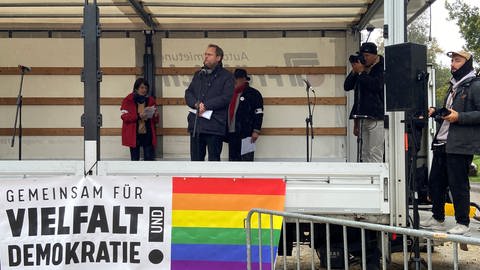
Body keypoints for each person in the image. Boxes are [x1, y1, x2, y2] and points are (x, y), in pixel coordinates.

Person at [420, 50, 480, 235]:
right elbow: (449, 115)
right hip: (442, 142)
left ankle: (463, 222)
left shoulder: (475, 85)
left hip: (460, 144)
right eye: (452, 61)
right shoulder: (454, 85)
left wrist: (460, 117)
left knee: (458, 183)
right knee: (435, 182)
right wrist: (437, 112)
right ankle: (437, 218)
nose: (452, 64)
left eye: (457, 60)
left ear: (468, 63)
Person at [184, 44, 234, 161]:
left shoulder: (227, 76)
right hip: (196, 125)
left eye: (209, 54)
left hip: (214, 125)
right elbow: (188, 93)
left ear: (218, 57)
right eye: (205, 54)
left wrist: (206, 106)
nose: (206, 57)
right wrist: (196, 104)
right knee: (195, 161)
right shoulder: (199, 74)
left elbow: (226, 97)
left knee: (214, 161)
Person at [343, 42, 385, 162]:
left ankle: (376, 179)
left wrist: (362, 72)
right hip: (362, 117)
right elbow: (347, 86)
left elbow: (376, 86)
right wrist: (354, 71)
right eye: (362, 55)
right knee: (364, 153)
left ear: (374, 55)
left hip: (376, 117)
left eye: (366, 55)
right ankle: (368, 179)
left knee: (375, 152)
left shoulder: (382, 67)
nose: (364, 58)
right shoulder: (362, 68)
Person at [227, 68, 264, 161]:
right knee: (232, 161)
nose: (235, 81)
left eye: (238, 78)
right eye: (234, 78)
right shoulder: (229, 93)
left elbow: (259, 113)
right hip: (232, 133)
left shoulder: (254, 93)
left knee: (247, 160)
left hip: (247, 133)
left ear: (244, 79)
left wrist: (256, 130)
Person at [121, 78, 158, 161]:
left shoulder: (151, 100)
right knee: (134, 159)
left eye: (145, 88)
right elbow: (124, 117)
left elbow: (156, 121)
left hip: (148, 134)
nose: (144, 90)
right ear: (136, 88)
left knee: (149, 159)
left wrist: (155, 115)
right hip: (134, 134)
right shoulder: (128, 100)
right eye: (142, 87)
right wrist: (138, 116)